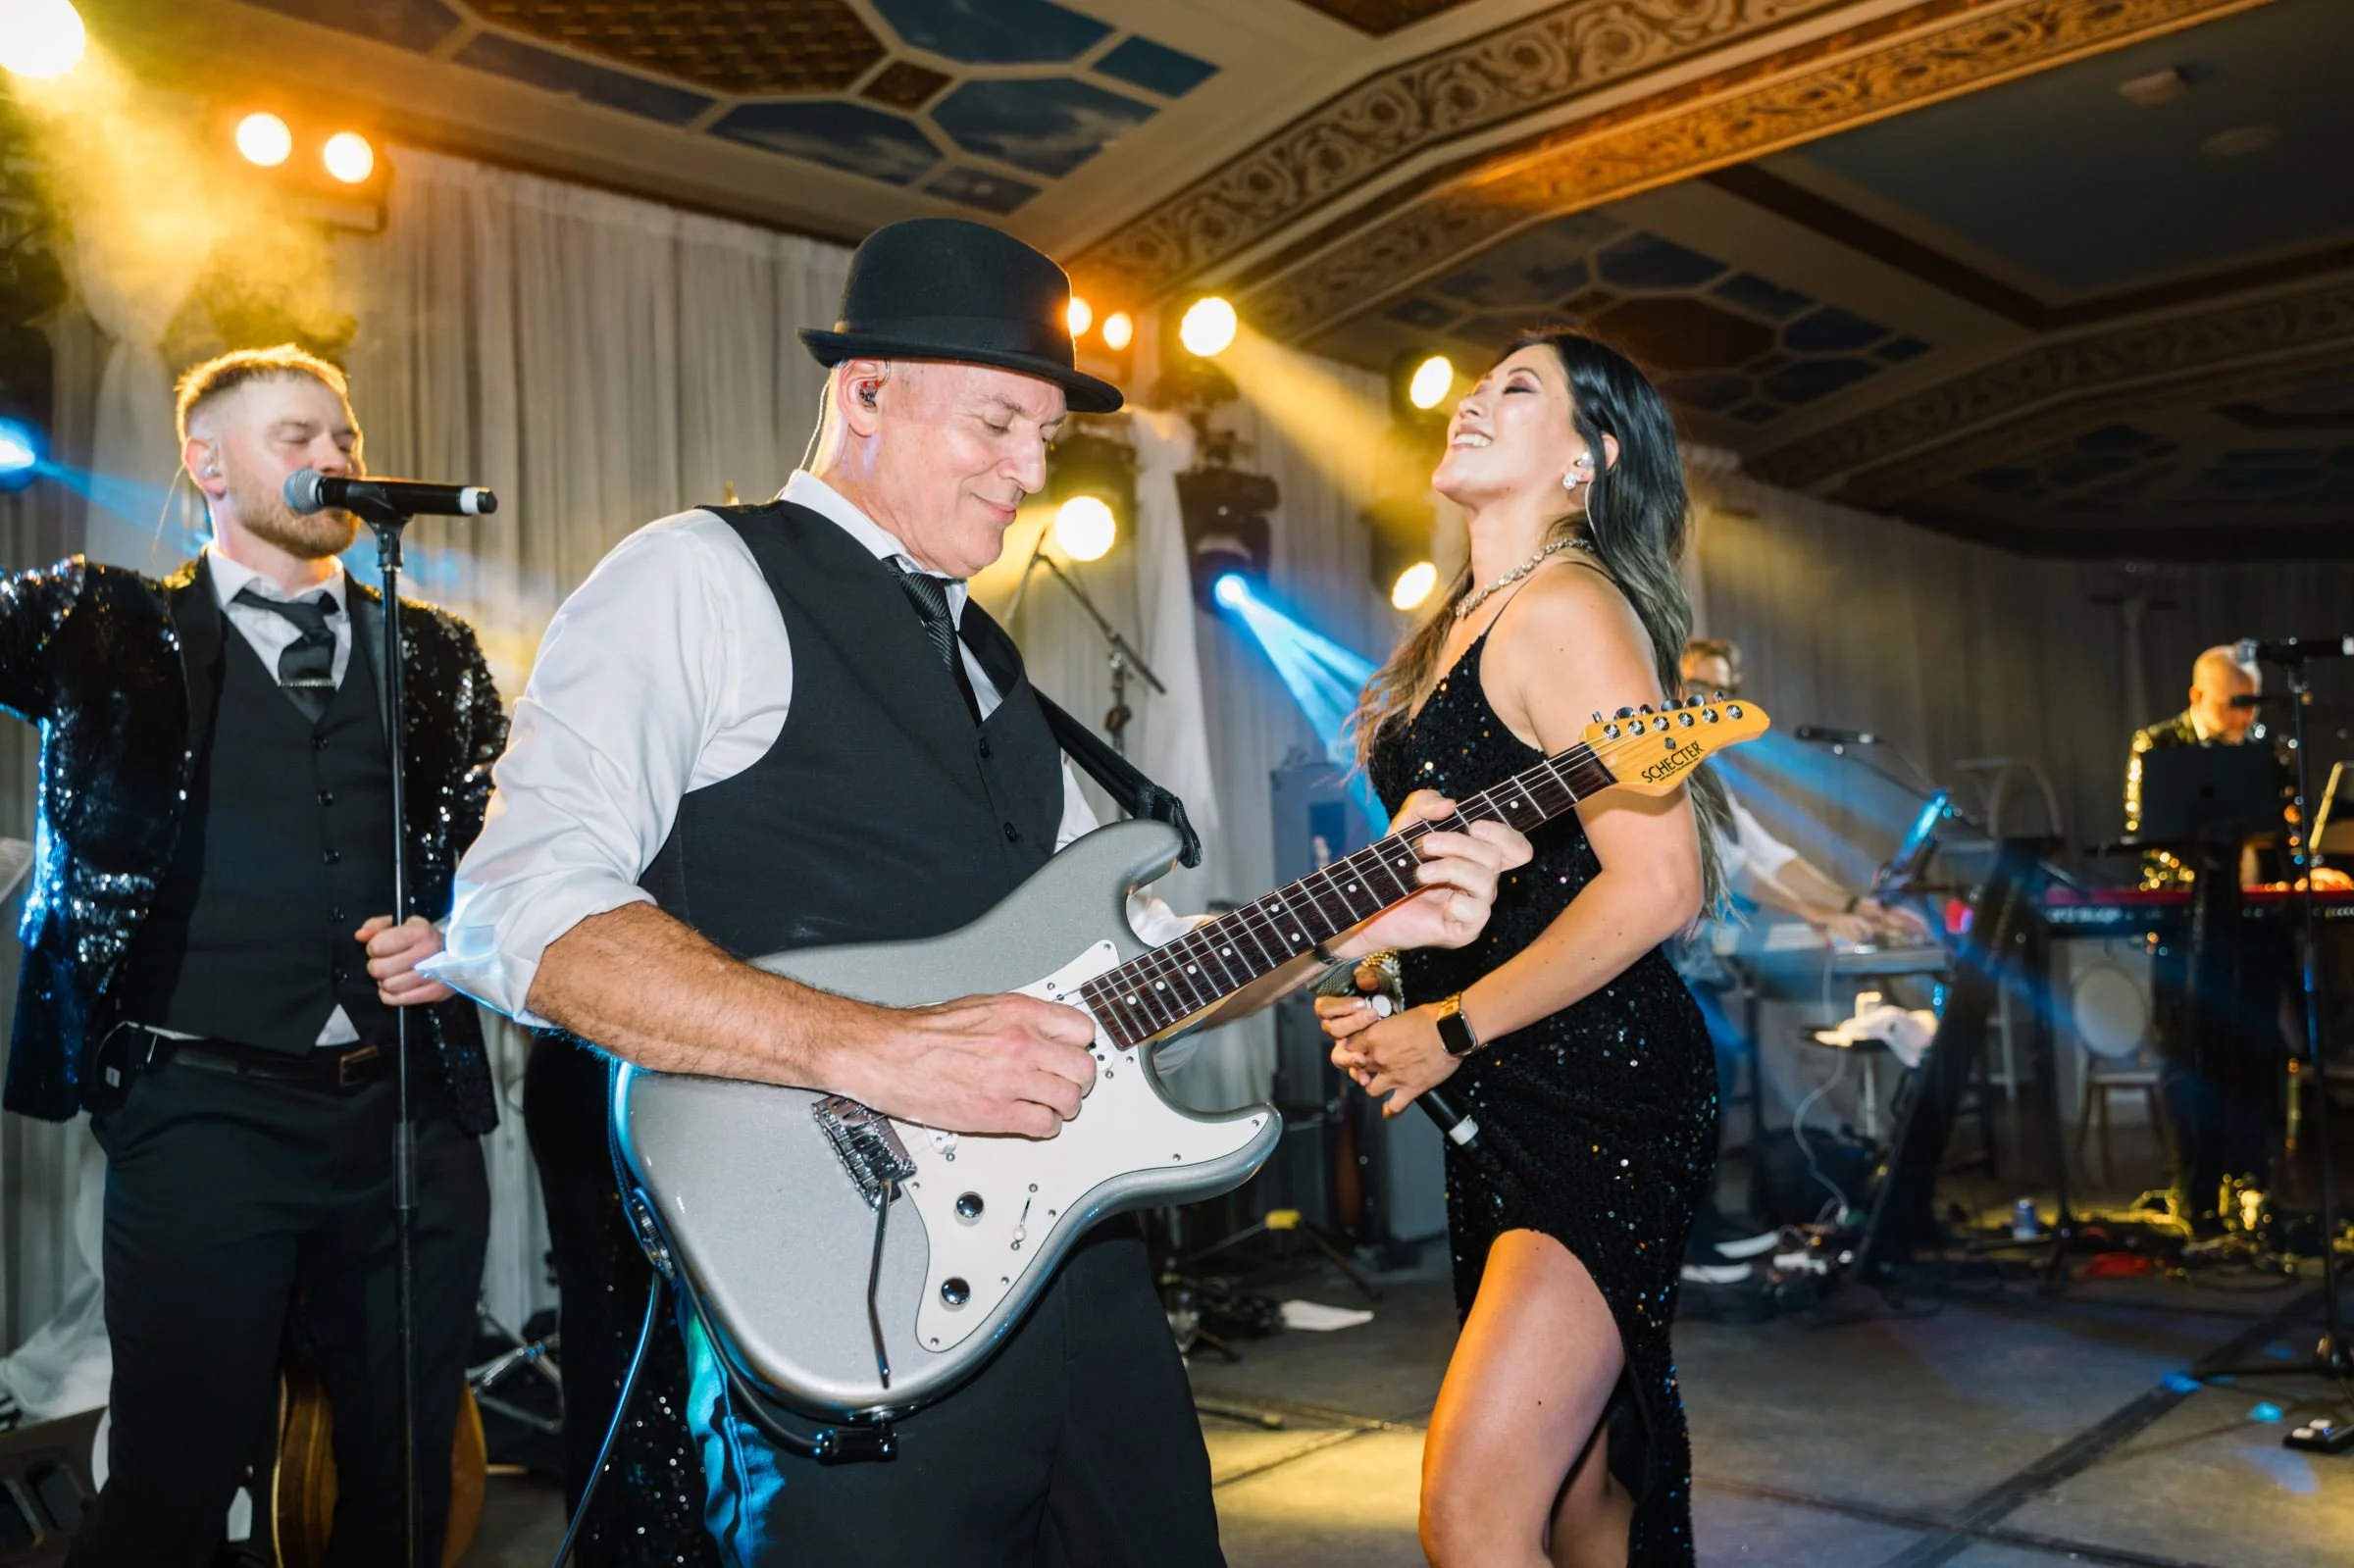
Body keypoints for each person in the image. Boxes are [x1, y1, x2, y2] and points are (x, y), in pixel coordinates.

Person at [426, 217, 1529, 1567]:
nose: (1030, 471)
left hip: (1075, 1275)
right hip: (843, 1293)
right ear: (865, 393)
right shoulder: (699, 574)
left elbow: (1131, 972)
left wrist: (1348, 925)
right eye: (999, 423)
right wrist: (878, 1050)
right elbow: (516, 910)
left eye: (1046, 437)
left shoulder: (992, 662)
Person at [0, 346, 504, 1566]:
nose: (334, 457)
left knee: (403, 1484)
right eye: (297, 437)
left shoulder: (436, 652)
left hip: (406, 1118)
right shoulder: (103, 623)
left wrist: (469, 938)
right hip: (199, 1113)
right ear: (208, 463)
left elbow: (519, 849)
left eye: (344, 436)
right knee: (176, 1477)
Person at [1321, 329, 1722, 1568]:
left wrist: (1445, 1027)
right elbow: (1460, 879)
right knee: (1574, 1502)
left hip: (1600, 1091)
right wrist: (1385, 984)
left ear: (1588, 460)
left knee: (1474, 1514)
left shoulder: (1567, 607)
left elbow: (1661, 884)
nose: (1473, 400)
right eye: (1478, 382)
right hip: (1499, 1089)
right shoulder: (1456, 623)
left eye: (1518, 388)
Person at [1677, 638, 1925, 947]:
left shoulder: (1709, 774)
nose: (1711, 703)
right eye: (1698, 687)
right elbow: (1732, 868)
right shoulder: (1664, 774)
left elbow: (1768, 856)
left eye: (1721, 692)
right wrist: (1815, 913)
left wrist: (1859, 907)